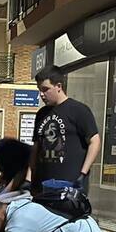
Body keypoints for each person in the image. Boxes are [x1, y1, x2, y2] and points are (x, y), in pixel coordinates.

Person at [31, 65, 101, 193]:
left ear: (58, 86)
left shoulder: (78, 110)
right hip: (43, 186)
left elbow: (94, 141)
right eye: (39, 90)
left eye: (45, 89)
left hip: (70, 186)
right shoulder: (41, 114)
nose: (41, 94)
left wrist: (83, 173)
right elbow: (36, 146)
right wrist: (30, 175)